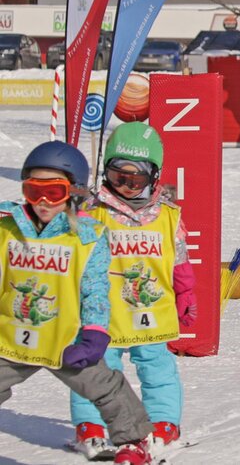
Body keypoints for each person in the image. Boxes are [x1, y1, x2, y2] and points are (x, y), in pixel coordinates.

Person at [0, 141, 153, 465]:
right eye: (33, 190)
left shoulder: (86, 236)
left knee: (106, 386)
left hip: (66, 338)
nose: (42, 201)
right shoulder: (6, 228)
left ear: (73, 191)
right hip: (11, 337)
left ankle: (135, 440)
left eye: (53, 192)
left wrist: (95, 333)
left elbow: (95, 289)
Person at [71, 123, 197, 459]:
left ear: (154, 178)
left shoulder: (168, 217)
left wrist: (186, 294)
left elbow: (179, 260)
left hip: (151, 310)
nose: (126, 186)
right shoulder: (92, 212)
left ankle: (163, 420)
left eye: (136, 179)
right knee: (93, 368)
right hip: (103, 313)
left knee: (157, 367)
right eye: (117, 177)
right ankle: (91, 423)